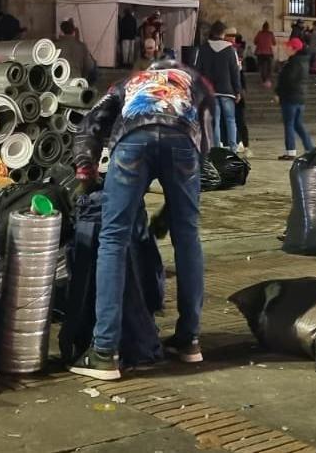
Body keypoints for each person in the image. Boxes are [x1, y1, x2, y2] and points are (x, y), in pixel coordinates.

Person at [69, 57, 215, 381]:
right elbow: (206, 141)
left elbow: (92, 122)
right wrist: (173, 214)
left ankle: (105, 351)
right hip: (184, 141)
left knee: (113, 238)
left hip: (133, 140)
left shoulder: (129, 83)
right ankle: (189, 340)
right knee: (188, 236)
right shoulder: (197, 83)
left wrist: (86, 168)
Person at [196, 21, 244, 151]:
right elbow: (235, 72)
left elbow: (198, 70)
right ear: (223, 33)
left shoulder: (204, 48)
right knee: (230, 120)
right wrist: (238, 90)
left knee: (215, 121)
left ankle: (217, 148)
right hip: (227, 90)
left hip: (211, 91)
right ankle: (233, 147)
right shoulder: (230, 50)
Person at [276, 36, 314, 159]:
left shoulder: (293, 62)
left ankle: (290, 151)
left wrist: (279, 93)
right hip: (300, 97)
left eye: (288, 47)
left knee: (289, 124)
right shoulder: (303, 61)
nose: (285, 48)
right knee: (298, 124)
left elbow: (287, 80)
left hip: (290, 97)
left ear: (294, 49)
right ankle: (310, 148)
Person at [56, 19, 99, 86]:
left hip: (60, 81)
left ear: (61, 31)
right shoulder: (81, 46)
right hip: (76, 80)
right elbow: (89, 66)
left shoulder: (56, 45)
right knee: (94, 65)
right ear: (73, 31)